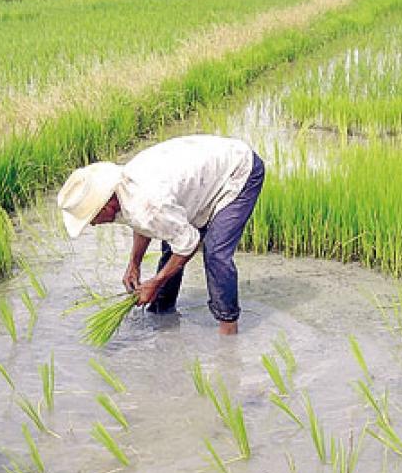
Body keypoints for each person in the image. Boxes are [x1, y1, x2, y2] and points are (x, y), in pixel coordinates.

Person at [57, 134, 265, 335]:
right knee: (172, 242)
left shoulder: (148, 204)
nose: (93, 224)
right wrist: (134, 264)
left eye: (92, 218)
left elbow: (188, 242)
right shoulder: (123, 193)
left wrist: (156, 282)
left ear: (105, 206)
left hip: (237, 171)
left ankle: (228, 330)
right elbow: (145, 225)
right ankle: (162, 313)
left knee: (215, 253)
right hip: (202, 178)